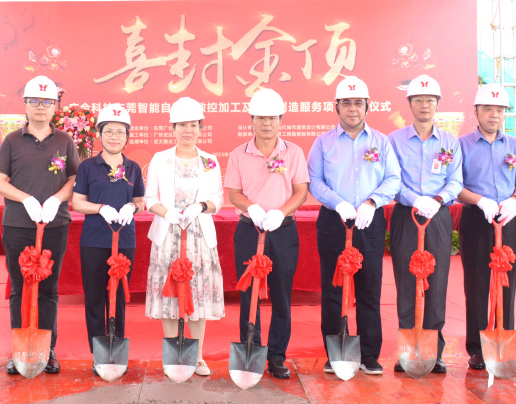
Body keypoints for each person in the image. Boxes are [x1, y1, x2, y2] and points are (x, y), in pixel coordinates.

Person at [307, 76, 401, 375]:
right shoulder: (323, 143)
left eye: (358, 103)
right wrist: (338, 203)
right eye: (346, 103)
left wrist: (372, 202)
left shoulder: (381, 142)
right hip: (334, 222)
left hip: (369, 221)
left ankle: (369, 354)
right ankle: (336, 352)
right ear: (336, 106)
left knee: (369, 289)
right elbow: (314, 180)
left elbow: (393, 178)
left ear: (367, 106)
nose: (352, 108)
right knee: (333, 288)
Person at [0, 75, 78, 375]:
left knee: (49, 289)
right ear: (25, 105)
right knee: (19, 288)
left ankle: (48, 349)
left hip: (55, 224)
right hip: (18, 224)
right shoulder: (12, 141)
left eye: (47, 102)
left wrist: (56, 199)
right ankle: (19, 350)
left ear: (55, 106)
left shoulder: (65, 141)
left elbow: (74, 179)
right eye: (35, 101)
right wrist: (25, 199)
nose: (41, 107)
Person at [223, 88, 309, 380]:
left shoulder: (293, 152)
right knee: (249, 294)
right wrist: (252, 207)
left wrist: (280, 212)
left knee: (282, 295)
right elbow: (234, 193)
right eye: (260, 118)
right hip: (250, 230)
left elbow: (301, 192)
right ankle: (251, 350)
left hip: (283, 231)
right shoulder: (239, 154)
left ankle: (277, 356)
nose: (266, 123)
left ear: (281, 120)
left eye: (272, 118)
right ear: (251, 121)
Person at [457, 84, 516, 371]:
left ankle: (505, 342)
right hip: (476, 218)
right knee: (476, 284)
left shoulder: (513, 145)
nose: (494, 115)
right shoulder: (461, 145)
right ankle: (478, 348)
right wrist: (479, 201)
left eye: (500, 110)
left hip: (508, 217)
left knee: (507, 282)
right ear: (476, 112)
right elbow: (454, 185)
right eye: (488, 109)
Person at [144, 97, 226, 377]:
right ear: (173, 128)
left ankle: (198, 356)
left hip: (199, 237)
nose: (188, 130)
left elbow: (218, 199)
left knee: (198, 295)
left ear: (201, 127)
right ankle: (172, 355)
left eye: (193, 125)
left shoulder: (209, 161)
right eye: (182, 125)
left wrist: (200, 207)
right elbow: (149, 198)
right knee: (169, 296)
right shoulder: (160, 159)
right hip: (168, 236)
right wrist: (166, 213)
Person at [387, 75, 462, 374]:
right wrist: (414, 198)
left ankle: (434, 352)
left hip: (438, 215)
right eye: (418, 100)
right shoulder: (394, 141)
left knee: (437, 281)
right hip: (407, 215)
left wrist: (438, 199)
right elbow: (391, 179)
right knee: (406, 282)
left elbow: (456, 180)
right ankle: (408, 349)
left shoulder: (450, 142)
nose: (424, 105)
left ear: (437, 104)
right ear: (409, 104)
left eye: (430, 100)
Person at [70, 105, 145, 373]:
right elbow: (77, 202)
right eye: (109, 131)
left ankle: (116, 348)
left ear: (127, 137)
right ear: (99, 135)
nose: (114, 136)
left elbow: (140, 201)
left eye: (120, 132)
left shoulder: (133, 168)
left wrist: (132, 208)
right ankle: (98, 353)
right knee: (94, 297)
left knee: (119, 296)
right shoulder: (88, 167)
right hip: (94, 240)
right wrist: (100, 208)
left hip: (124, 241)